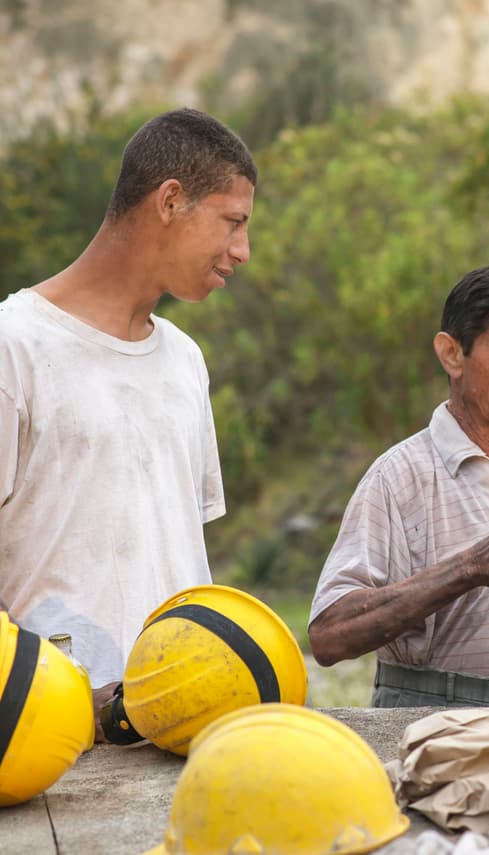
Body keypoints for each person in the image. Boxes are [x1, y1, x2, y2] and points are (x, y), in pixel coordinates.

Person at [0, 108, 254, 715]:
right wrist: (42, 697)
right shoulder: (14, 345)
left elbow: (171, 550)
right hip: (46, 729)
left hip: (181, 714)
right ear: (170, 201)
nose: (242, 251)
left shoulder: (185, 359)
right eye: (233, 222)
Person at [307, 260, 489, 707]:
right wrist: (472, 567)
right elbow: (329, 636)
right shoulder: (400, 476)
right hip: (424, 719)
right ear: (452, 354)